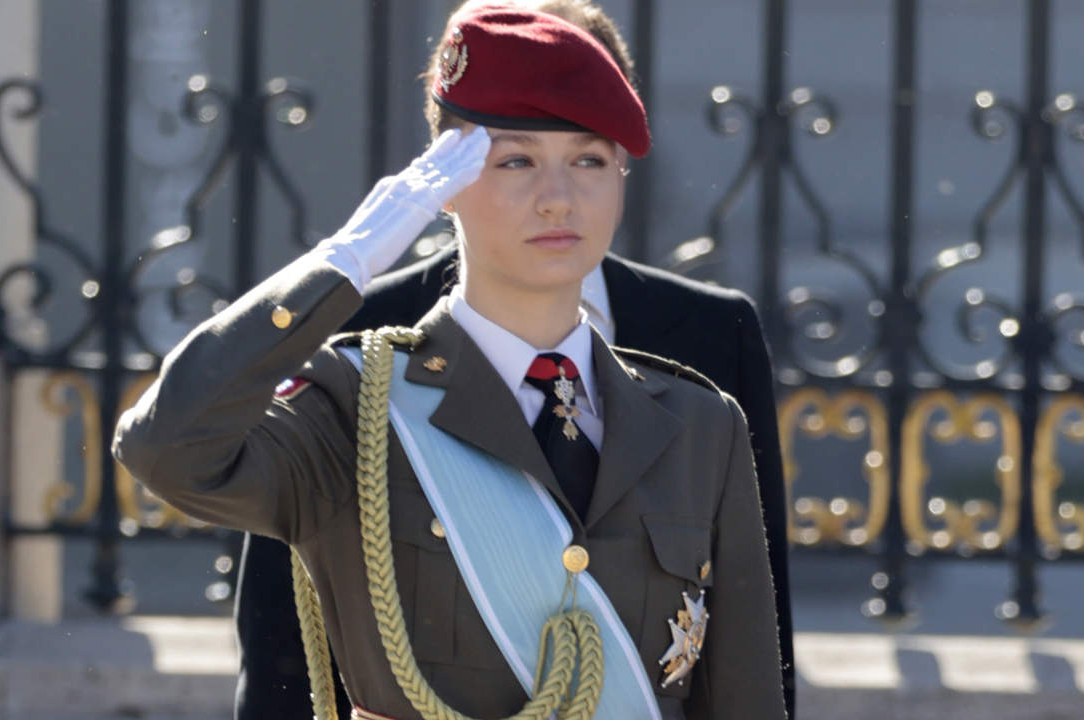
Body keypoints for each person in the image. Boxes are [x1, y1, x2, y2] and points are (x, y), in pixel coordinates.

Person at [115, 3, 785, 718]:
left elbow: (743, 695)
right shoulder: (355, 406)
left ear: (622, 177)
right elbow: (167, 449)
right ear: (447, 181)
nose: (559, 198)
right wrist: (342, 264)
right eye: (516, 160)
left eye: (589, 160)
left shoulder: (698, 424)